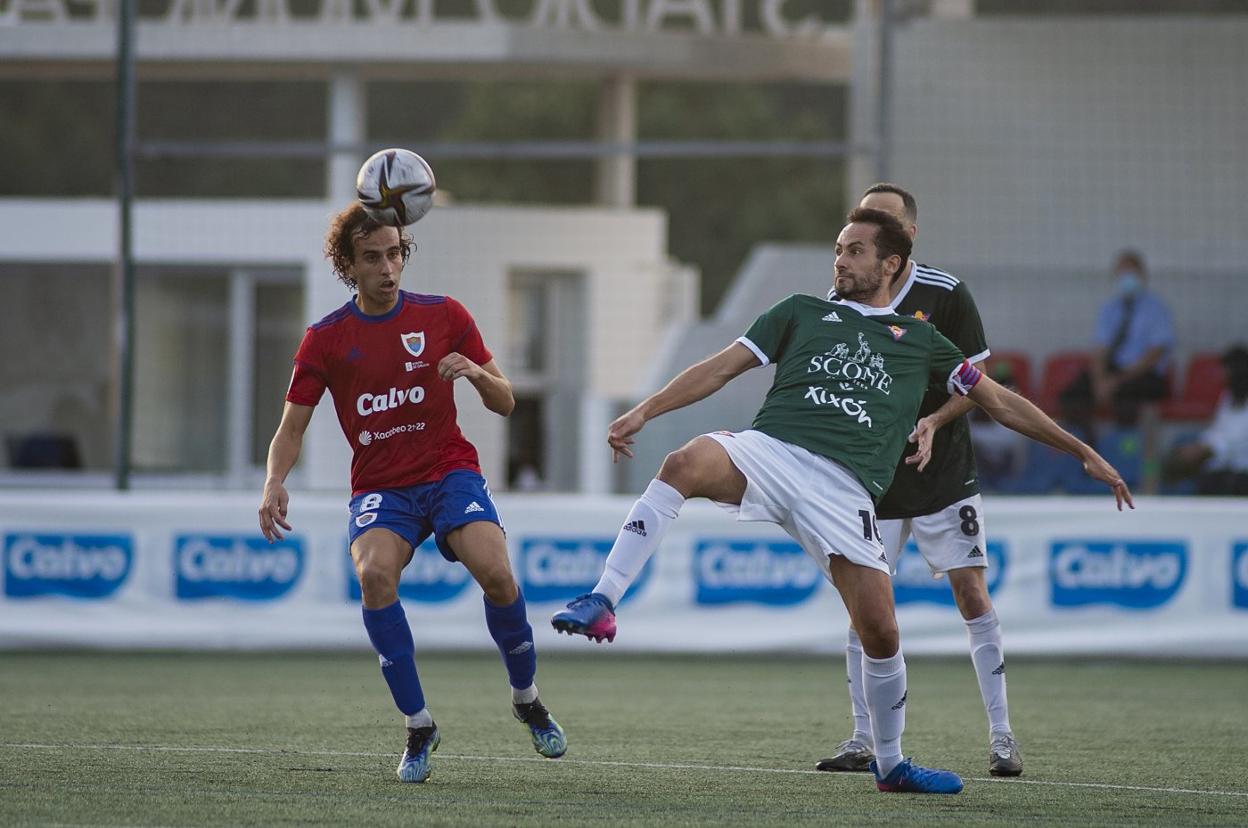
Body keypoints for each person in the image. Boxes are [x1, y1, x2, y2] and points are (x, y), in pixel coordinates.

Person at [552, 207, 1132, 795]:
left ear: (891, 264)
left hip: (845, 488)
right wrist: (646, 410)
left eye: (855, 250)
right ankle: (603, 597)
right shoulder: (801, 311)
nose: (841, 260)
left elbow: (1001, 402)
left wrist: (1079, 449)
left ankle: (890, 764)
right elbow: (720, 369)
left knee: (880, 632)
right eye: (839, 248)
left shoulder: (923, 340)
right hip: (772, 452)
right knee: (682, 463)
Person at [257, 203, 566, 784]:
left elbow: (506, 401)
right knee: (373, 576)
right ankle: (418, 724)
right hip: (381, 489)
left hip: (449, 472)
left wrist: (475, 374)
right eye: (372, 257)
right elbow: (290, 428)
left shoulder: (445, 315)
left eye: (395, 253)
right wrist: (275, 480)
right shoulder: (325, 339)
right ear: (348, 264)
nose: (388, 267)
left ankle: (526, 698)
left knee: (497, 573)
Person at [817, 183, 1024, 778]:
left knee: (970, 593)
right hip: (872, 476)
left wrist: (933, 420)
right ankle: (862, 739)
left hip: (943, 474)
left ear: (905, 239)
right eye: (858, 221)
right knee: (864, 609)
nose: (863, 231)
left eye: (879, 221)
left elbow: (978, 380)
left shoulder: (946, 292)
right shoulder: (839, 295)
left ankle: (1003, 737)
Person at [1059, 249, 1175, 435]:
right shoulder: (1109, 309)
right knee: (1073, 396)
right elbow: (1100, 349)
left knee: (1126, 400)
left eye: (1131, 273)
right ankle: (1088, 449)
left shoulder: (1156, 308)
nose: (1126, 278)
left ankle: (1125, 455)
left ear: (1142, 275)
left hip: (1142, 374)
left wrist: (1117, 381)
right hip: (1113, 371)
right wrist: (1099, 381)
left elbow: (1155, 353)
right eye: (1122, 273)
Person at [1163, 345, 1248, 495]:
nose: (1222, 374)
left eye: (1226, 370)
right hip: (1219, 466)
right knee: (1176, 453)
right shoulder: (1228, 396)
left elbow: (1238, 438)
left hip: (1241, 472)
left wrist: (1203, 449)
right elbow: (1218, 428)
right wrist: (1199, 445)